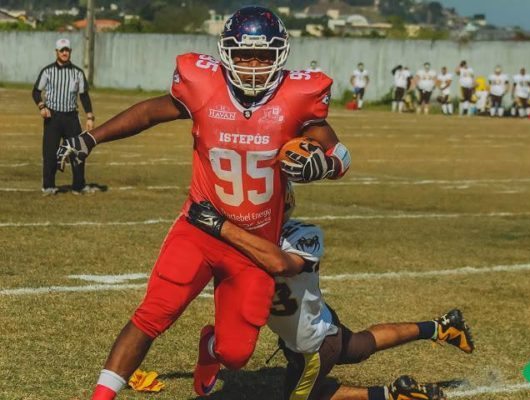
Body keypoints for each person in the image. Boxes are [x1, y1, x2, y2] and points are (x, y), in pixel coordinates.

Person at [59, 7, 352, 400]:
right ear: (225, 54)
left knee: (235, 354)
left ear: (280, 55)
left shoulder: (298, 98)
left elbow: (340, 152)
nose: (252, 65)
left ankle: (209, 347)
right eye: (244, 55)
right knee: (153, 314)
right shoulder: (203, 85)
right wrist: (92, 138)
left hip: (254, 247)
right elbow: (149, 112)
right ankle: (100, 396)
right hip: (199, 226)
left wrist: (326, 164)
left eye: (263, 56)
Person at [185, 187, 474, 400]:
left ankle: (392, 395)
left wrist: (222, 228)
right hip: (321, 322)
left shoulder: (303, 234)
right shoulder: (245, 239)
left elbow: (282, 264)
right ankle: (440, 327)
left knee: (303, 398)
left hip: (313, 345)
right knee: (362, 345)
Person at [32, 38, 95, 196]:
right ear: (56, 52)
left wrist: (89, 116)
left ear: (70, 52)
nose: (65, 53)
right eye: (62, 50)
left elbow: (84, 96)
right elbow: (36, 92)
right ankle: (48, 186)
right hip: (53, 117)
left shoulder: (77, 73)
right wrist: (42, 106)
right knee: (50, 152)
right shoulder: (48, 71)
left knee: (77, 151)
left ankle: (78, 185)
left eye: (67, 50)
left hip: (71, 118)